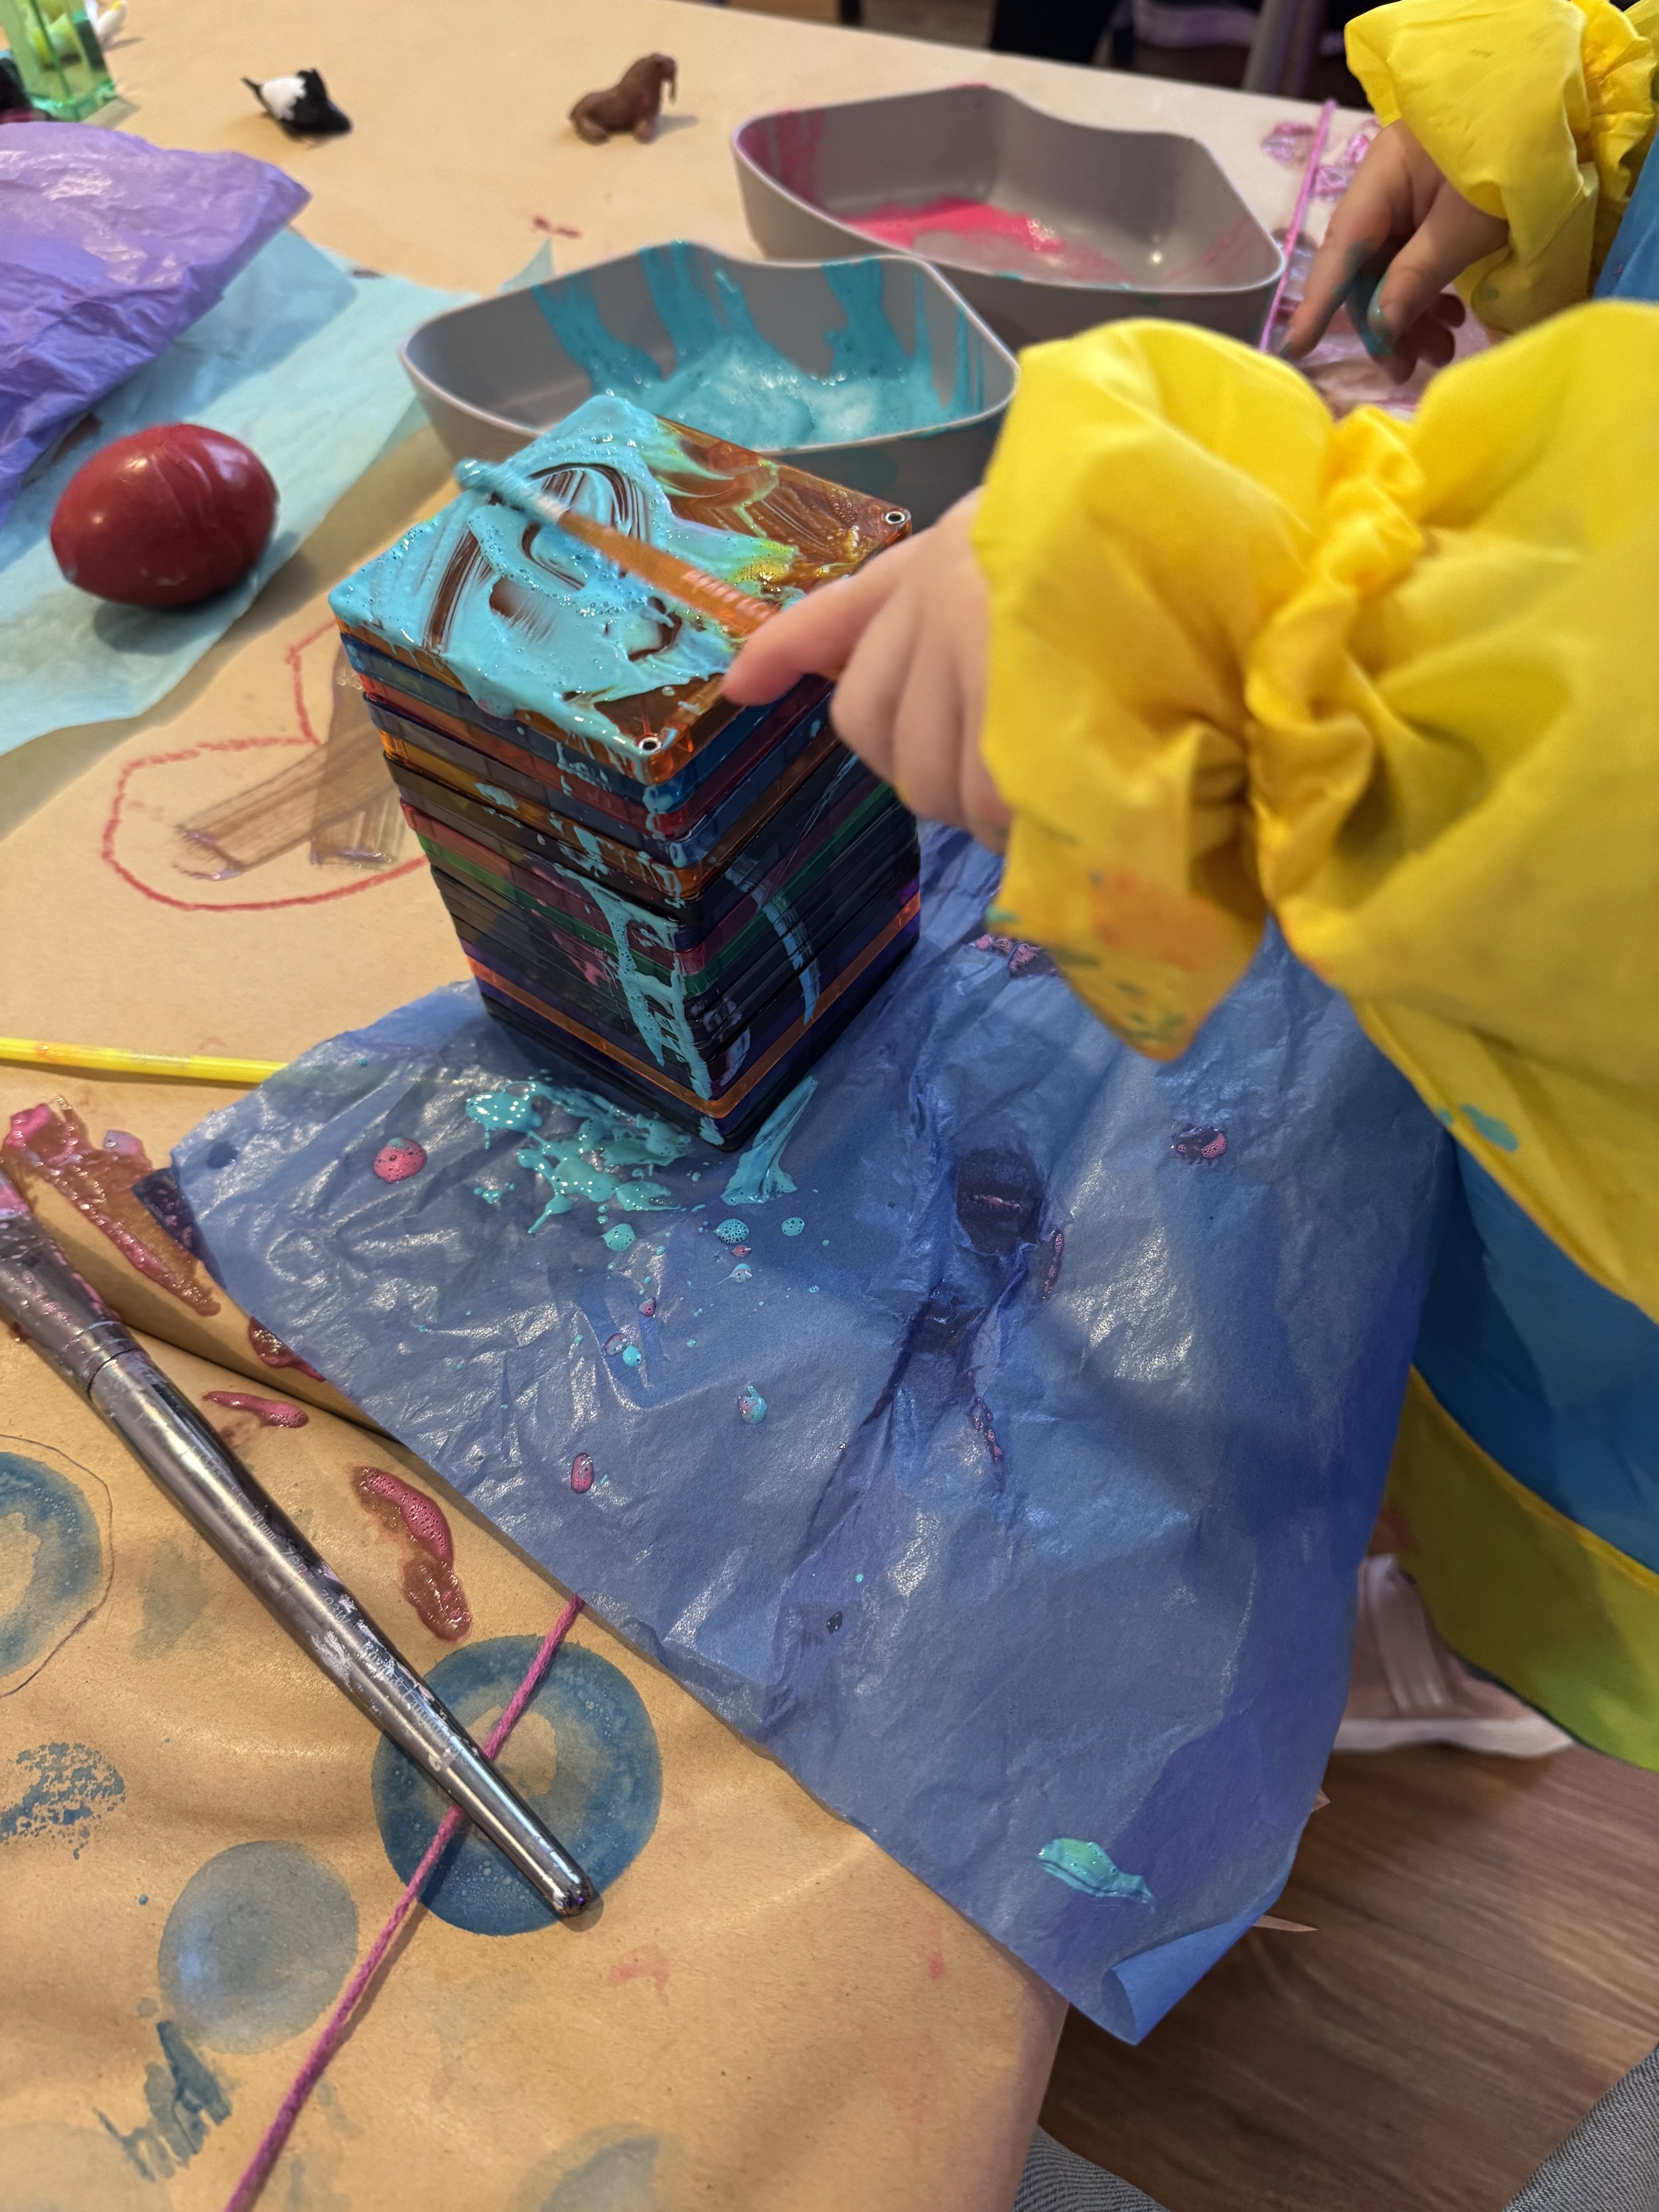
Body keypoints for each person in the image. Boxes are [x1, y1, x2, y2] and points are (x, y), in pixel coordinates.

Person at [728, 1, 1659, 2198]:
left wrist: (1230, 620)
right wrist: (1583, 118)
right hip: (1562, 1151)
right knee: (1492, 1356)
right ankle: (1457, 1618)